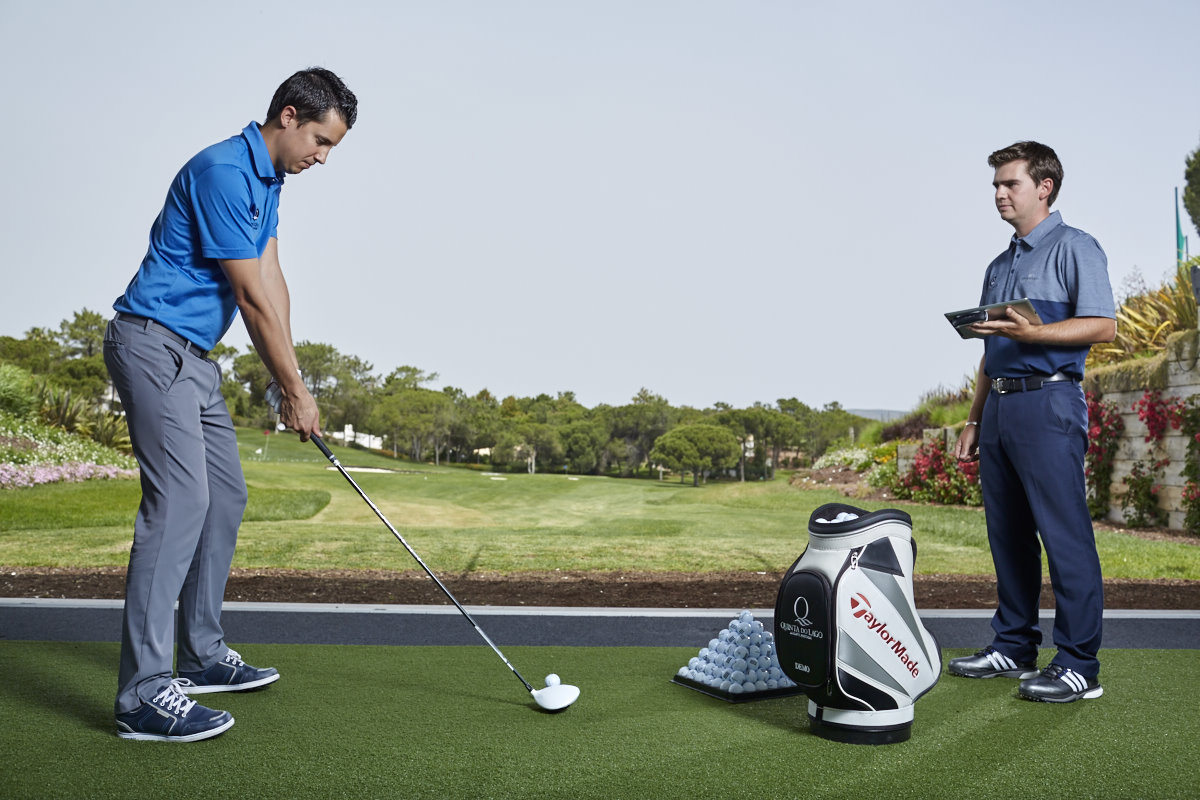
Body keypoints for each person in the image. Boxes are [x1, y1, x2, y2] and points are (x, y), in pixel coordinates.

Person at [104, 68, 357, 741]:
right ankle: (142, 696)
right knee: (179, 504)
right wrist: (296, 392)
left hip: (195, 360)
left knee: (224, 496)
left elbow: (272, 279)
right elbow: (246, 297)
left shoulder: (268, 181)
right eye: (321, 141)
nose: (322, 158)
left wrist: (288, 377)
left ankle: (201, 655)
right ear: (289, 115)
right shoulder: (223, 171)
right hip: (152, 344)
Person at [948, 141, 1116, 703]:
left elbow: (1103, 326)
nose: (999, 194)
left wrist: (1036, 332)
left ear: (1044, 187)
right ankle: (1014, 645)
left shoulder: (1076, 247)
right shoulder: (998, 266)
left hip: (1050, 402)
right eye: (996, 185)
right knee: (1009, 535)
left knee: (1064, 535)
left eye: (1010, 184)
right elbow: (989, 350)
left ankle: (1078, 664)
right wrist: (974, 419)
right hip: (999, 408)